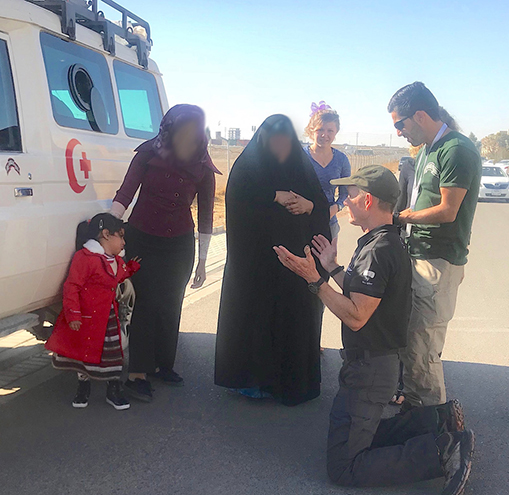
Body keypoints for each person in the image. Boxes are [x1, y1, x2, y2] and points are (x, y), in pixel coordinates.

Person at [274, 165, 475, 495]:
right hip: (373, 364)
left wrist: (314, 280)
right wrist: (332, 269)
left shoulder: (379, 251)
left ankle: (444, 452)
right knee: (350, 433)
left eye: (350, 195)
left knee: (343, 467)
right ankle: (436, 421)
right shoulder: (380, 241)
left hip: (370, 370)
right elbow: (363, 295)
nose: (345, 200)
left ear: (367, 200)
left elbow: (355, 316)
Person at [214, 114, 331, 406]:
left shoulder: (301, 167)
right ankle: (250, 381)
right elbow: (238, 199)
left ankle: (289, 383)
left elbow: (319, 204)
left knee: (292, 318)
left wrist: (310, 205)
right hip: (255, 265)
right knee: (256, 319)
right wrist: (273, 196)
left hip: (295, 266)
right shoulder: (247, 167)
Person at [110, 104, 219, 402]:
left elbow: (207, 217)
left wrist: (203, 261)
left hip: (179, 244)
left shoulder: (203, 166)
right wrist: (108, 229)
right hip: (143, 239)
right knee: (146, 304)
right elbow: (125, 193)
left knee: (171, 304)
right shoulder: (148, 154)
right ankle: (136, 374)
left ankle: (161, 365)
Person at [390, 82, 482, 410]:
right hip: (420, 256)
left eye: (400, 124)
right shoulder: (429, 149)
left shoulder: (456, 149)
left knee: (423, 347)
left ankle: (434, 427)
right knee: (413, 343)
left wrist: (403, 217)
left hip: (438, 261)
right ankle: (417, 414)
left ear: (420, 115)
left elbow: (448, 210)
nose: (399, 132)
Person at [45, 213, 141, 410]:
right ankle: (83, 387)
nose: (123, 242)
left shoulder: (115, 260)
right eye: (120, 236)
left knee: (114, 354)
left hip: (109, 315)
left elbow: (119, 277)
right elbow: (72, 286)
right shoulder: (84, 258)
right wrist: (73, 314)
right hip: (87, 318)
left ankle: (113, 389)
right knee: (84, 355)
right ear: (105, 234)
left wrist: (131, 268)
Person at [304, 102, 351, 240]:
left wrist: (335, 209)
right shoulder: (300, 157)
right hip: (302, 223)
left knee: (328, 262)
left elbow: (345, 194)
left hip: (329, 224)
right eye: (320, 130)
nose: (325, 135)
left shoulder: (341, 160)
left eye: (330, 130)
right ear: (312, 131)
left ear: (336, 132)